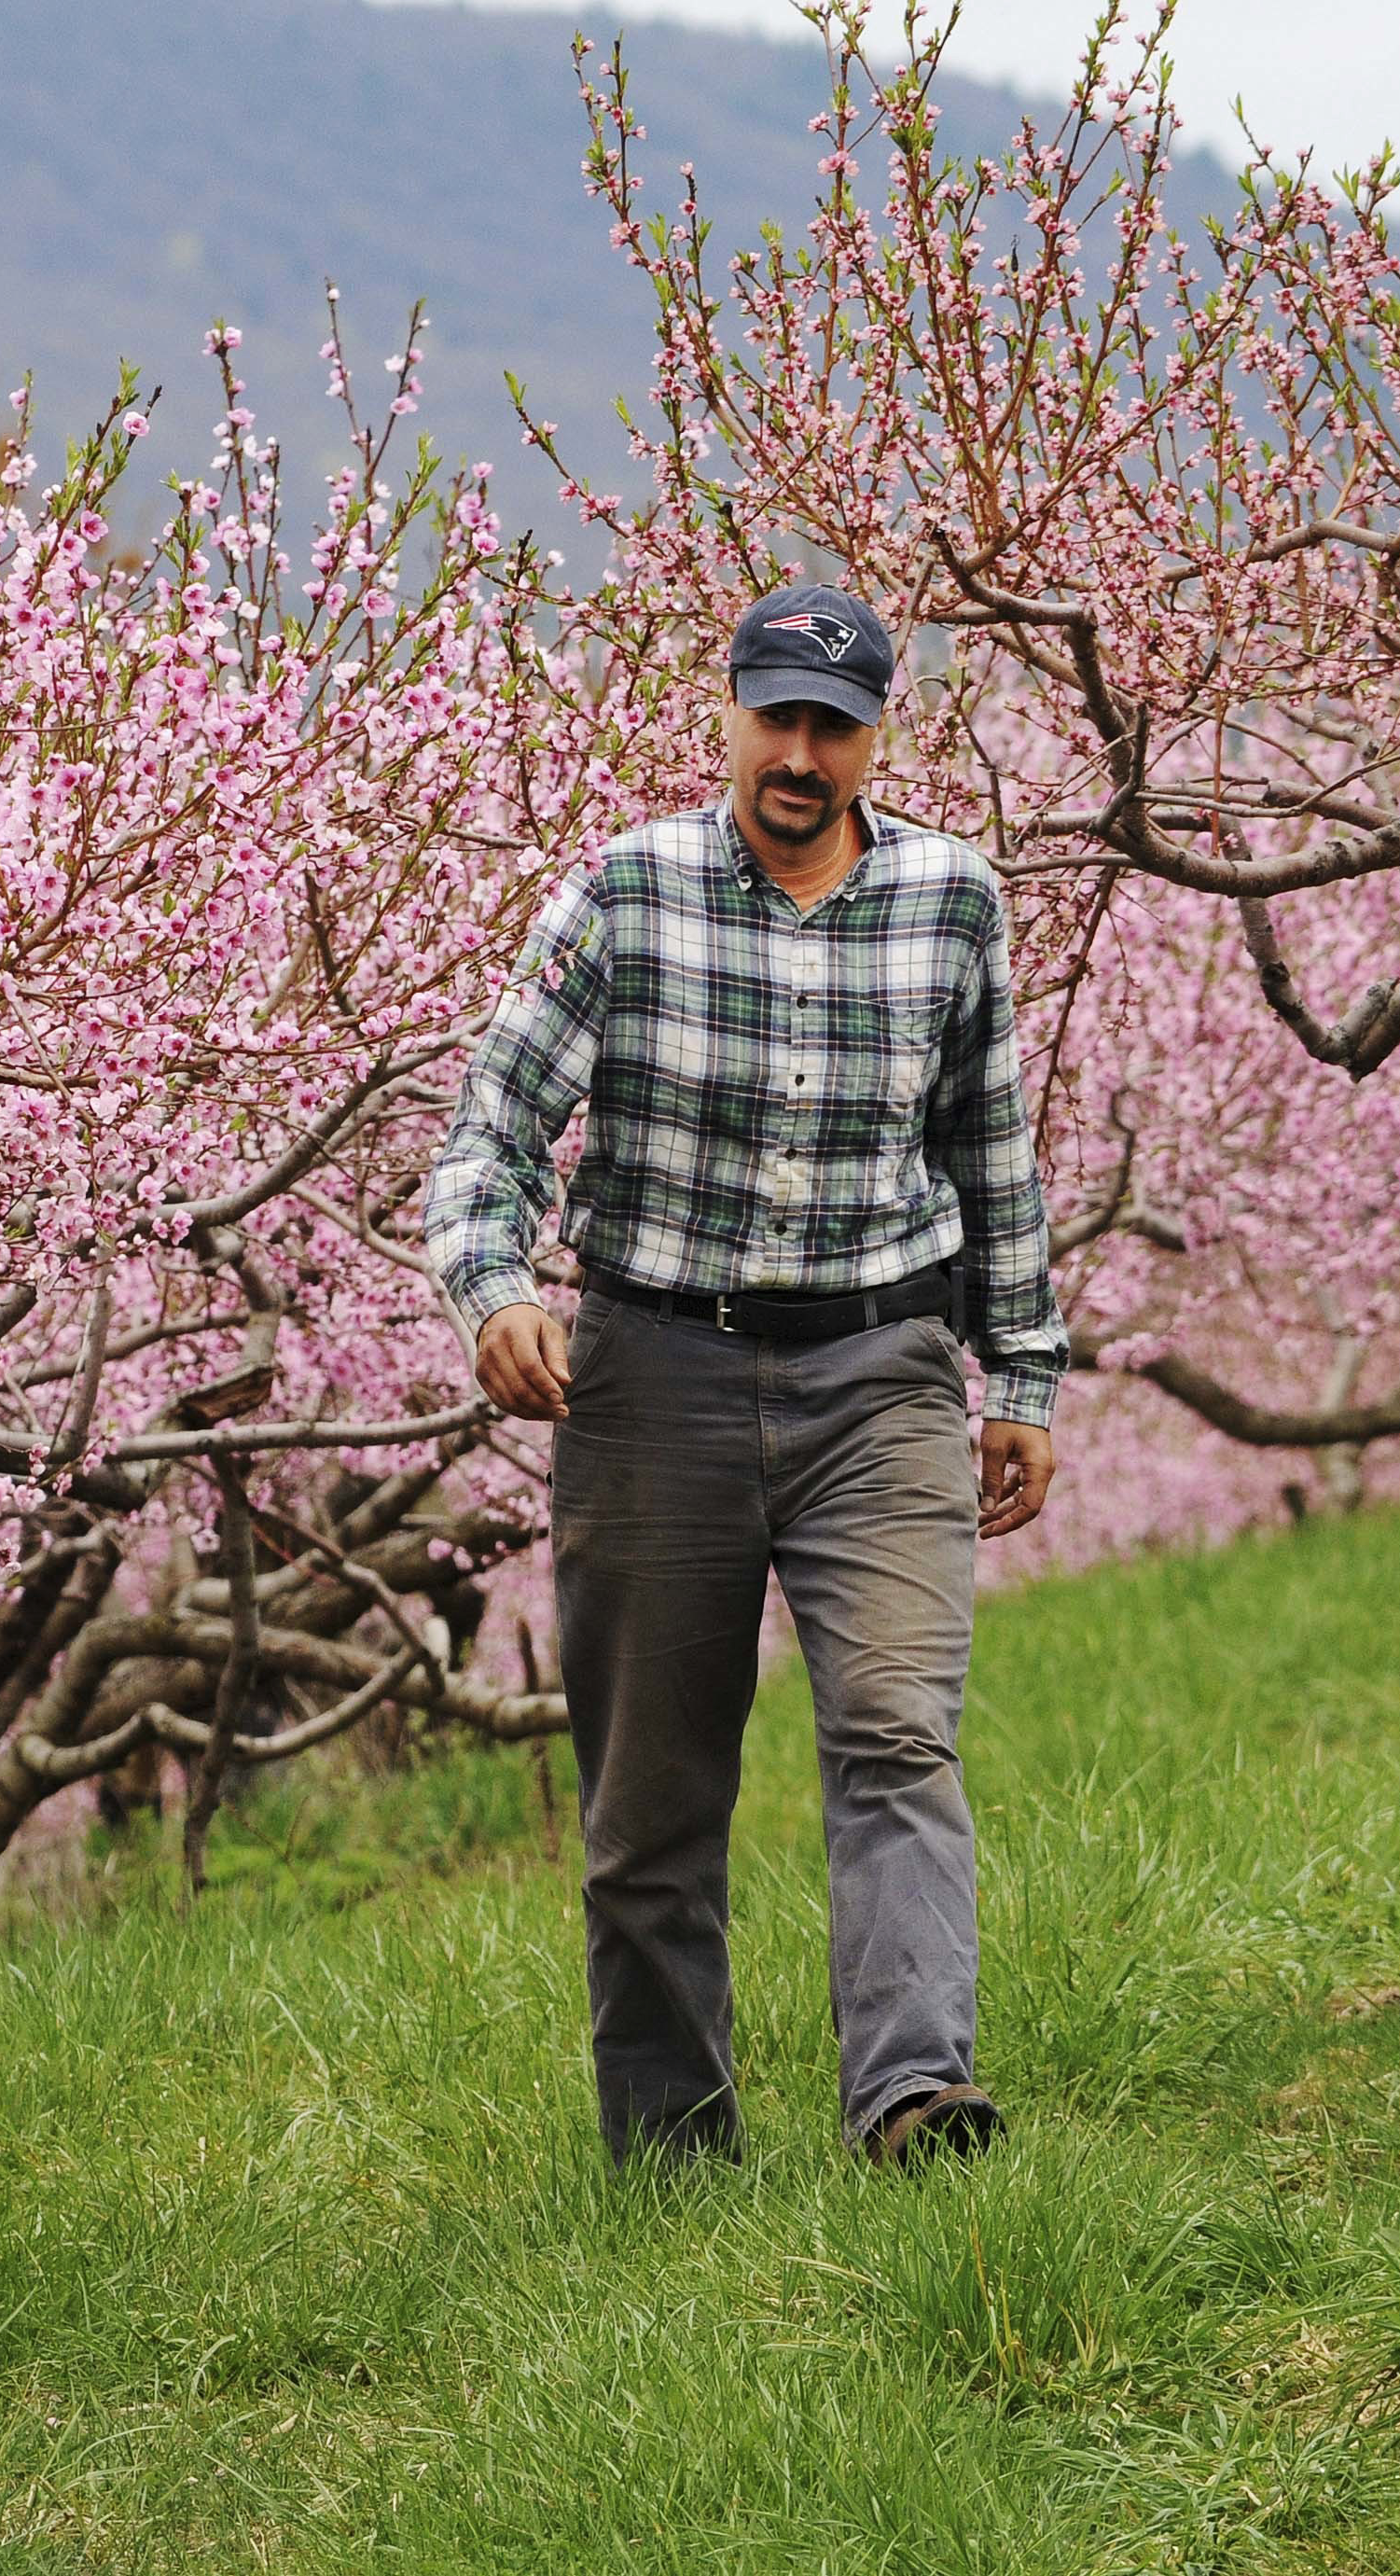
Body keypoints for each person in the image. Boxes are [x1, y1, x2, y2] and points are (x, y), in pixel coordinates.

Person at [423, 580, 1065, 2168]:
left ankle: (913, 2096)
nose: (799, 752)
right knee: (651, 1798)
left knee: (897, 1730)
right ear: (728, 713)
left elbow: (990, 1148)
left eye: (831, 727)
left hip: (883, 1373)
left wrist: (1027, 1374)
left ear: (874, 740)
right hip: (652, 1375)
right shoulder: (624, 893)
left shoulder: (949, 901)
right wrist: (494, 1290)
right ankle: (669, 2148)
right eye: (774, 716)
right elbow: (488, 1129)